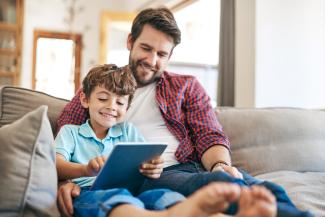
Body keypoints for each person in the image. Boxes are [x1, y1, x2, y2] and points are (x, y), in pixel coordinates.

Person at [56, 7, 314, 217]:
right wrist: (68, 181)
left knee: (265, 188)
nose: (152, 60)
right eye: (146, 48)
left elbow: (208, 134)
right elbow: (64, 139)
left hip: (194, 166)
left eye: (161, 54)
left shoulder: (186, 86)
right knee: (222, 186)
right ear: (130, 42)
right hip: (155, 176)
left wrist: (221, 164)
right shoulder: (104, 87)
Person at [55, 63, 276, 217]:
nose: (112, 107)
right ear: (84, 99)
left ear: (127, 107)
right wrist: (85, 170)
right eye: (103, 98)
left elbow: (149, 160)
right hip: (88, 192)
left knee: (162, 195)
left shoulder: (128, 131)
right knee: (115, 199)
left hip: (137, 189)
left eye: (120, 103)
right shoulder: (71, 132)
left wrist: (154, 166)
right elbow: (55, 164)